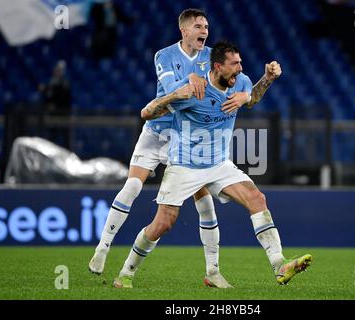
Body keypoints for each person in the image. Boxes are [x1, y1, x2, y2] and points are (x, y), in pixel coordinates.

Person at [112, 41, 312, 289]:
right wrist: (174, 95)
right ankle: (126, 273)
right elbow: (147, 112)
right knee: (163, 223)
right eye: (234, 64)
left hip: (218, 164)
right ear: (217, 66)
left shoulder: (240, 82)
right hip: (185, 165)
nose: (240, 69)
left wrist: (264, 81)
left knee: (257, 198)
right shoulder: (194, 92)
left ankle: (279, 263)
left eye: (240, 63)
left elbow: (253, 99)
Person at [89, 9, 253, 289]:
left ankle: (213, 271)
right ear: (184, 30)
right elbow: (171, 92)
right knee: (132, 186)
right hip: (157, 132)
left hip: (186, 137)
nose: (205, 31)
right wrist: (189, 80)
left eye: (207, 26)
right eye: (199, 26)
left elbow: (236, 78)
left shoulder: (212, 56)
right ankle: (103, 248)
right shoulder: (164, 55)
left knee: (206, 206)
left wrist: (246, 94)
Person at [38, 60, 72, 149]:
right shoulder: (52, 81)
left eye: (60, 70)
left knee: (65, 136)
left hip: (63, 113)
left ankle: (67, 153)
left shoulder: (64, 82)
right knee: (52, 135)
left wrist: (46, 89)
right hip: (53, 113)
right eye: (57, 70)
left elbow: (62, 95)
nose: (57, 72)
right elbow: (48, 97)